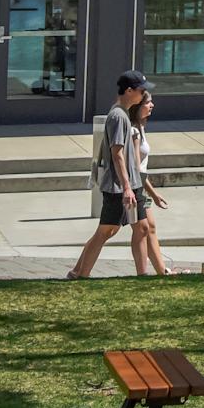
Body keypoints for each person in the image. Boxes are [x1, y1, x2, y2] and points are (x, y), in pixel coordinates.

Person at [67, 70, 149, 279]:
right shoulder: (118, 116)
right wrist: (127, 187)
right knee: (106, 231)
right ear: (129, 91)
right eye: (141, 90)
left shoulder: (123, 114)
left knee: (142, 228)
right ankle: (81, 274)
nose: (143, 95)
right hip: (119, 187)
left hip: (132, 184)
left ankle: (142, 276)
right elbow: (117, 154)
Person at [129, 94, 172, 275]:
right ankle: (142, 274)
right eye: (147, 102)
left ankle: (161, 272)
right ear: (138, 106)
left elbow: (141, 170)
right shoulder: (132, 131)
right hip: (131, 188)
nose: (152, 105)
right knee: (139, 229)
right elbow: (135, 169)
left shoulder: (141, 127)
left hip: (140, 186)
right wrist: (151, 193)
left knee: (149, 227)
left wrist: (153, 195)